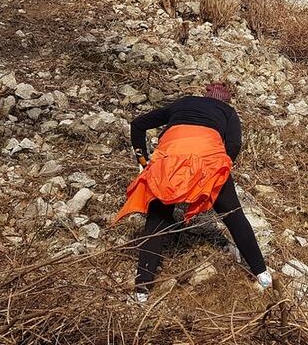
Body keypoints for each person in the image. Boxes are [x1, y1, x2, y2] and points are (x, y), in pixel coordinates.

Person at [115, 83, 272, 303]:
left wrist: (143, 162)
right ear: (224, 100)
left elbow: (138, 124)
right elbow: (235, 144)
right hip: (208, 157)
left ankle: (142, 290)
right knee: (234, 215)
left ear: (205, 95)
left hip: (170, 158)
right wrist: (222, 167)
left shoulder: (183, 102)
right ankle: (262, 274)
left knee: (157, 219)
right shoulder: (227, 111)